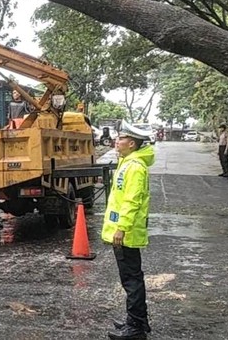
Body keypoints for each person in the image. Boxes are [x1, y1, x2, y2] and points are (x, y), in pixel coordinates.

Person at [102, 121, 155, 340]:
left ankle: (136, 328)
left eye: (121, 138)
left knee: (132, 281)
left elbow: (132, 201)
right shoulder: (128, 162)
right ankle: (136, 321)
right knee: (131, 280)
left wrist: (121, 228)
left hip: (127, 233)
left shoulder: (134, 167)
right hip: (125, 231)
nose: (117, 140)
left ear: (131, 143)